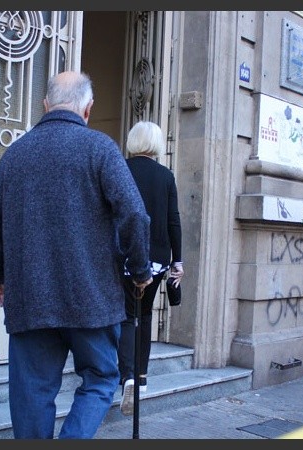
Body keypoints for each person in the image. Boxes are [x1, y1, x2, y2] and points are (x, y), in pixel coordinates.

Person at [0, 71, 153, 439]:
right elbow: (135, 214)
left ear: (45, 106)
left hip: (30, 298)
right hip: (91, 297)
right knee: (102, 378)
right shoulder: (100, 148)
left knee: (32, 393)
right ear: (88, 109)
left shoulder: (15, 154)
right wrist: (139, 271)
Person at [117, 121, 184, 416]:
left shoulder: (120, 169)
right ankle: (141, 377)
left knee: (126, 314)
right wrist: (177, 260)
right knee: (144, 314)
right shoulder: (166, 176)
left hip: (124, 254)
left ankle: (127, 375)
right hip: (157, 257)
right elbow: (173, 220)